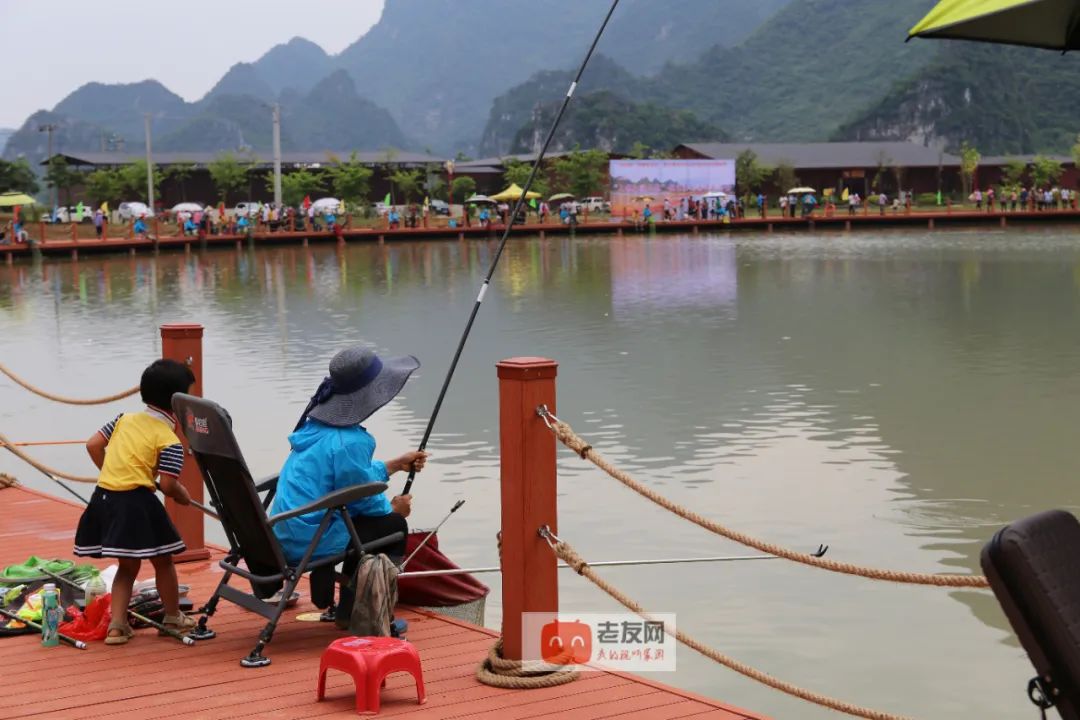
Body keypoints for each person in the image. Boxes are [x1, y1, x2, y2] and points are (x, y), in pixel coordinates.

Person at [269, 346, 428, 574]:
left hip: (286, 533)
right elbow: (362, 499)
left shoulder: (315, 428)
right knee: (393, 526)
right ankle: (353, 607)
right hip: (310, 543)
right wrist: (393, 509)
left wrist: (393, 466)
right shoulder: (350, 441)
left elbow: (350, 480)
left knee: (368, 519)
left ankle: (336, 593)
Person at [74, 359, 197, 645]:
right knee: (163, 562)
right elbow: (167, 485)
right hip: (136, 502)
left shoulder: (123, 418)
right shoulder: (169, 439)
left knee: (127, 566)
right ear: (177, 402)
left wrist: (112, 472)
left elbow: (93, 444)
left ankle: (116, 626)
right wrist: (182, 495)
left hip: (105, 496)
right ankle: (173, 616)